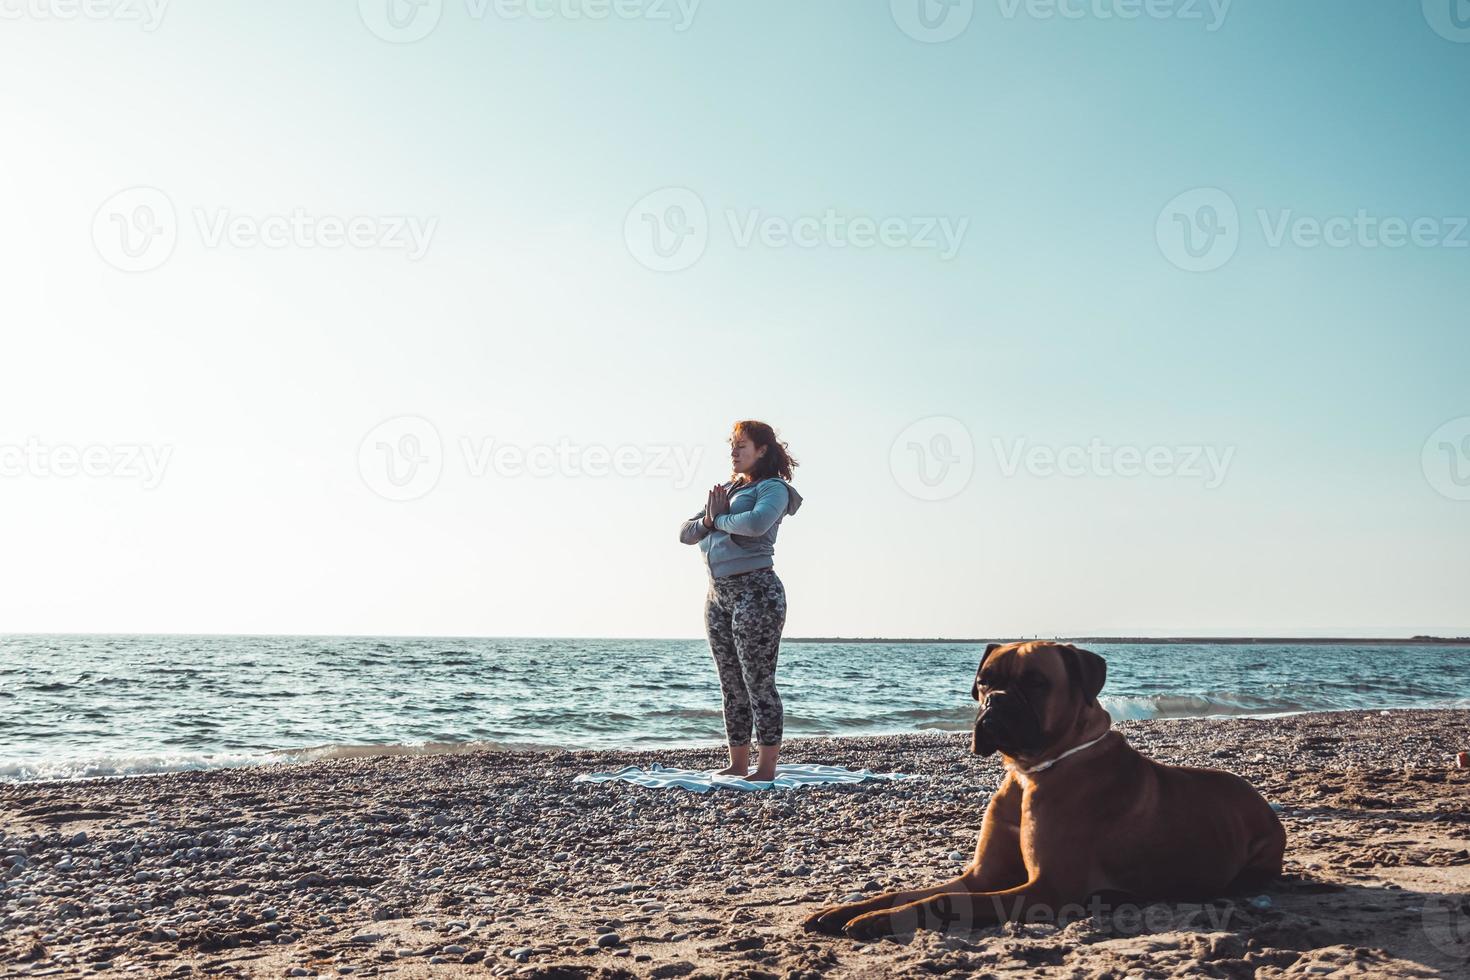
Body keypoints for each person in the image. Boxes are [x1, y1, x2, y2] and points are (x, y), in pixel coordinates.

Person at [678, 420, 803, 782]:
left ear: (761, 450)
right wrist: (709, 518)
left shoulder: (774, 489)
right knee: (730, 683)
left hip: (757, 592)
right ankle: (737, 763)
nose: (733, 452)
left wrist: (717, 519)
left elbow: (756, 524)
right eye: (731, 446)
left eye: (741, 445)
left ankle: (766, 769)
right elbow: (686, 532)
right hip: (718, 595)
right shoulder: (727, 490)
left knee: (758, 681)